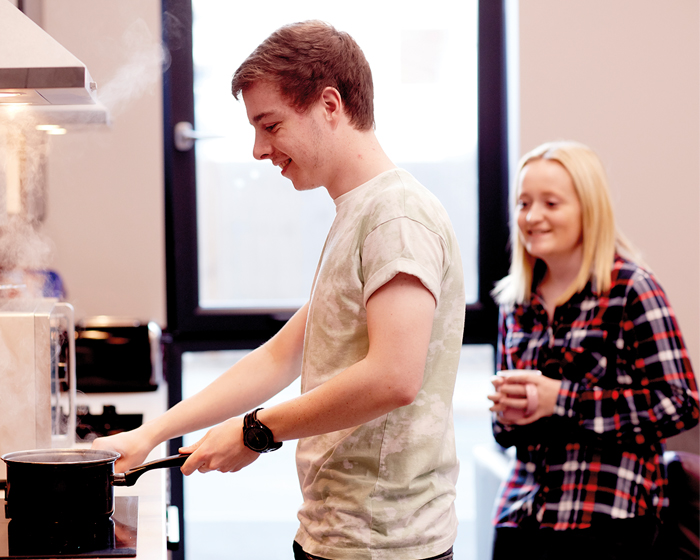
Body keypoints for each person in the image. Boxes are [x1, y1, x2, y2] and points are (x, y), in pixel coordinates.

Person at [93, 20, 465, 560]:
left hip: (384, 545)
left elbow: (394, 377)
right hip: (339, 535)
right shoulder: (360, 213)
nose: (257, 149)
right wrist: (150, 435)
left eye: (271, 125)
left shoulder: (396, 215)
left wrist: (254, 432)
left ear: (330, 104)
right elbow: (280, 356)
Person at [487, 140, 699, 560]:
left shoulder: (631, 288)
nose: (532, 217)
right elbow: (505, 435)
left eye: (551, 203)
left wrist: (560, 400)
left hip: (610, 519)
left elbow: (681, 404)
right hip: (521, 515)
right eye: (523, 203)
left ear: (589, 209)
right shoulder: (515, 300)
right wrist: (509, 417)